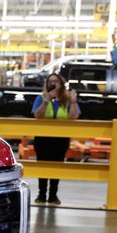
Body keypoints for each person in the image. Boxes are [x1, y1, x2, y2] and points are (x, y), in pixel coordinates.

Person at [31, 73, 80, 205]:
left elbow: (73, 117)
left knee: (57, 166)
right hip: (43, 139)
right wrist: (46, 100)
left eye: (56, 82)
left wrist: (74, 101)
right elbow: (37, 115)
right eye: (50, 82)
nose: (53, 84)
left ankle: (53, 195)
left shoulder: (68, 100)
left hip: (60, 139)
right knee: (42, 166)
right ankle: (41, 195)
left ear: (61, 84)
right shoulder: (40, 98)